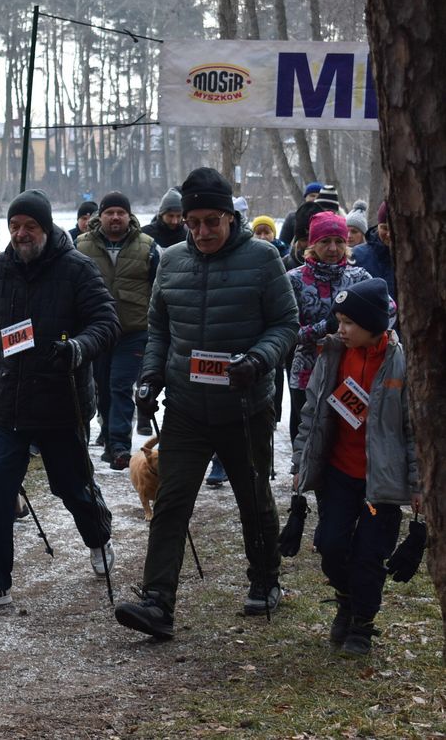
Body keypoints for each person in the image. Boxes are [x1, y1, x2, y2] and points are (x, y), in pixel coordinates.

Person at [115, 167, 298, 639]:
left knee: (252, 498)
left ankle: (265, 579)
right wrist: (151, 374)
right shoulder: (172, 261)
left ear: (229, 217)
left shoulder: (262, 260)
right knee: (172, 501)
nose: (201, 232)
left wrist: (258, 360)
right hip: (187, 406)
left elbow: (285, 323)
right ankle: (158, 602)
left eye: (210, 221)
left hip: (244, 405)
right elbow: (159, 327)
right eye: (193, 222)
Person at [0, 189, 120, 609]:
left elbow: (106, 322)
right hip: (8, 402)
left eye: (29, 226)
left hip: (61, 400)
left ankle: (99, 535)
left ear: (47, 228)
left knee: (71, 486)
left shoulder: (77, 269)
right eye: (14, 227)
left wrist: (77, 349)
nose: (21, 234)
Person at [291, 278, 421, 656]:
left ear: (373, 325)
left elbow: (414, 429)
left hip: (381, 480)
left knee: (369, 553)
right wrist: (301, 461)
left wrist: (417, 483)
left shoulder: (401, 362)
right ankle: (346, 598)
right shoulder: (332, 354)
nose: (340, 328)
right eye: (339, 320)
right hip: (338, 473)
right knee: (329, 545)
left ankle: (362, 623)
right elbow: (312, 412)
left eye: (349, 322)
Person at [76, 191, 159, 470]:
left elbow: (158, 289)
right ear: (101, 216)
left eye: (120, 213)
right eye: (109, 212)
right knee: (102, 389)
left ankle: (121, 447)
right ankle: (111, 442)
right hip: (96, 331)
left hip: (132, 330)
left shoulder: (147, 246)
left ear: (128, 216)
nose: (115, 217)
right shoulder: (82, 246)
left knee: (120, 386)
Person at [287, 212, 372, 448]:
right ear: (313, 244)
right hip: (307, 372)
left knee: (344, 436)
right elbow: (287, 332)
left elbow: (388, 311)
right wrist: (325, 327)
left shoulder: (359, 277)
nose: (333, 248)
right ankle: (303, 477)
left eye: (339, 241)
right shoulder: (293, 280)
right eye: (325, 241)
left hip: (351, 372)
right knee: (308, 434)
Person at [351, 202, 395, 298]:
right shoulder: (357, 255)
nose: (389, 234)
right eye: (385, 228)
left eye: (395, 228)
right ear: (378, 226)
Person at [278, 181, 323, 246]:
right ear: (305, 197)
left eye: (319, 197)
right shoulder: (293, 217)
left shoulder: (328, 218)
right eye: (312, 196)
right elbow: (283, 244)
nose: (315, 199)